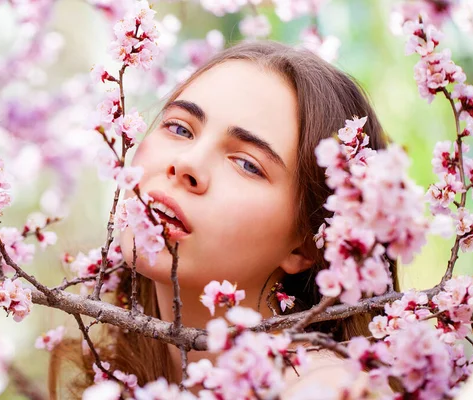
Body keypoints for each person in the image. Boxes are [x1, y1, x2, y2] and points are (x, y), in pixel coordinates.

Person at [49, 40, 397, 398]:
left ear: (308, 245)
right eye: (180, 128)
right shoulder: (119, 372)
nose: (187, 164)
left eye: (248, 164)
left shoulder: (325, 388)